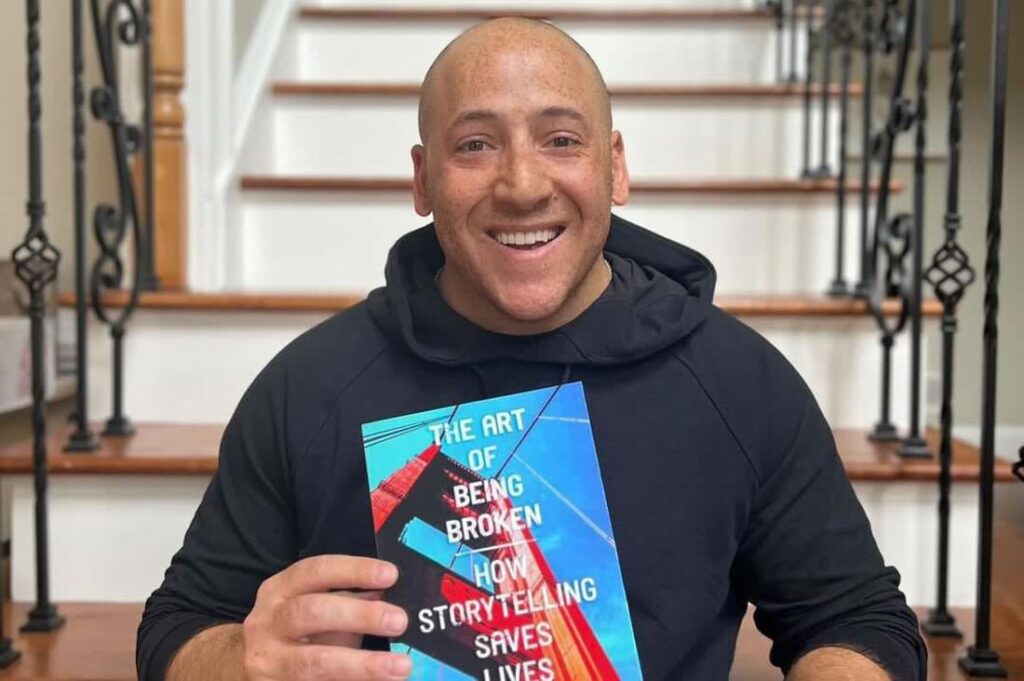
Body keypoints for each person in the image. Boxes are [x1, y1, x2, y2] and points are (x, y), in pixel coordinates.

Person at [137, 17, 926, 681]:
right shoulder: (307, 388)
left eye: (560, 139)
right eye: (475, 145)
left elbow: (859, 621)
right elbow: (178, 626)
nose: (521, 184)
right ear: (422, 180)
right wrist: (242, 656)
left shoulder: (740, 383)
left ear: (614, 167)